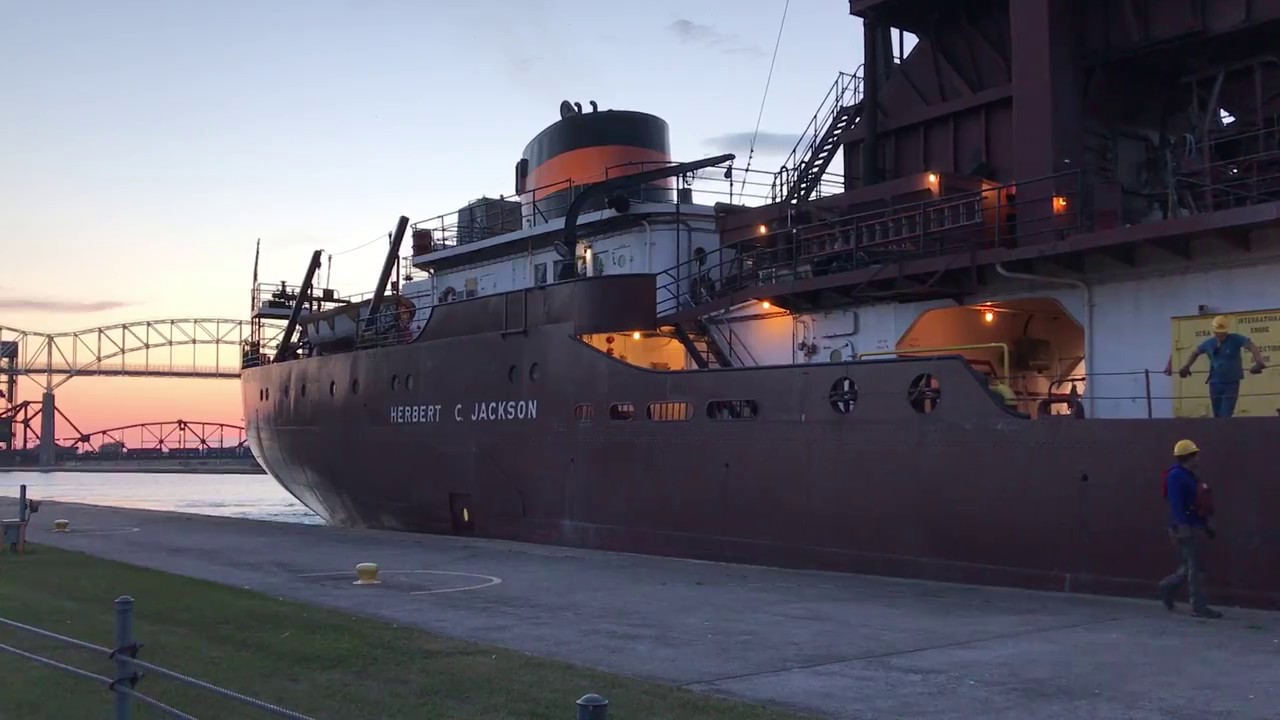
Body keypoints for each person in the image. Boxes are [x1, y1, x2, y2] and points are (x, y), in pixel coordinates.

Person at [1157, 439, 1223, 618]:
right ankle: (1199, 605)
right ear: (1189, 457)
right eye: (1196, 455)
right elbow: (1176, 503)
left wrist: (1205, 525)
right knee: (1195, 568)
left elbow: (1196, 503)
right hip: (1185, 527)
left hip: (1193, 524)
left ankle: (1166, 588)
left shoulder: (1189, 475)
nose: (1199, 458)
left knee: (1189, 567)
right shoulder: (1176, 476)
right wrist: (1182, 525)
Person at [1177, 315, 1266, 417]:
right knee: (1217, 415)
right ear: (1214, 332)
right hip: (1214, 384)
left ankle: (1225, 431)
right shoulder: (1209, 343)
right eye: (1219, 332)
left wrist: (1258, 361)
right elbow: (1195, 352)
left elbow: (1251, 346)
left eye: (1224, 332)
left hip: (1231, 384)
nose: (1221, 334)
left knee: (1225, 414)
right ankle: (1219, 432)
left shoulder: (1235, 339)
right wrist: (1186, 366)